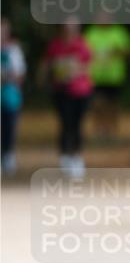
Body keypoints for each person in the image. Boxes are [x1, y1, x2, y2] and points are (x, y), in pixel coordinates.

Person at [40, 20, 93, 177]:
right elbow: (46, 64)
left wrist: (75, 69)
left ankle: (76, 156)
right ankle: (64, 155)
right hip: (62, 91)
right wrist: (42, 79)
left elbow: (89, 65)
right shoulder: (55, 45)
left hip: (81, 91)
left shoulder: (82, 45)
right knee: (65, 123)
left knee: (77, 124)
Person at [85, 14, 130, 139]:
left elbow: (129, 51)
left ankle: (112, 129)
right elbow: (83, 52)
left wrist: (117, 51)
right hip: (96, 76)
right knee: (97, 103)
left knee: (113, 104)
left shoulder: (118, 32)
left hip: (114, 76)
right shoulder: (91, 33)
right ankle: (99, 129)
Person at [1, 18, 27, 175]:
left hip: (10, 97)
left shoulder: (13, 49)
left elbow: (20, 74)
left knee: (9, 127)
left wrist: (7, 78)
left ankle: (8, 155)